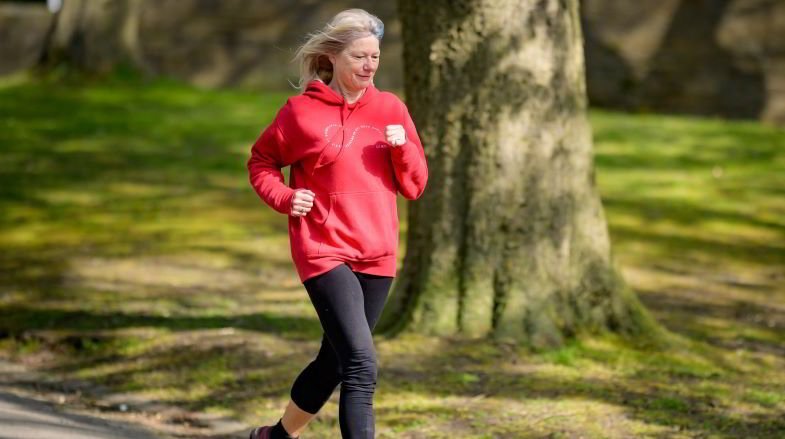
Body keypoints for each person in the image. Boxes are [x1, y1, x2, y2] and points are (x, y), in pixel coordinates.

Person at [245, 8, 428, 439]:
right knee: (362, 362)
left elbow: (415, 186)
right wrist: (287, 198)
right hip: (323, 248)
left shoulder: (391, 109)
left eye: (375, 58)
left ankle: (275, 436)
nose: (369, 66)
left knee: (336, 359)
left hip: (377, 252)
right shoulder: (301, 113)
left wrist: (401, 150)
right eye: (359, 57)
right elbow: (262, 162)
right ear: (333, 57)